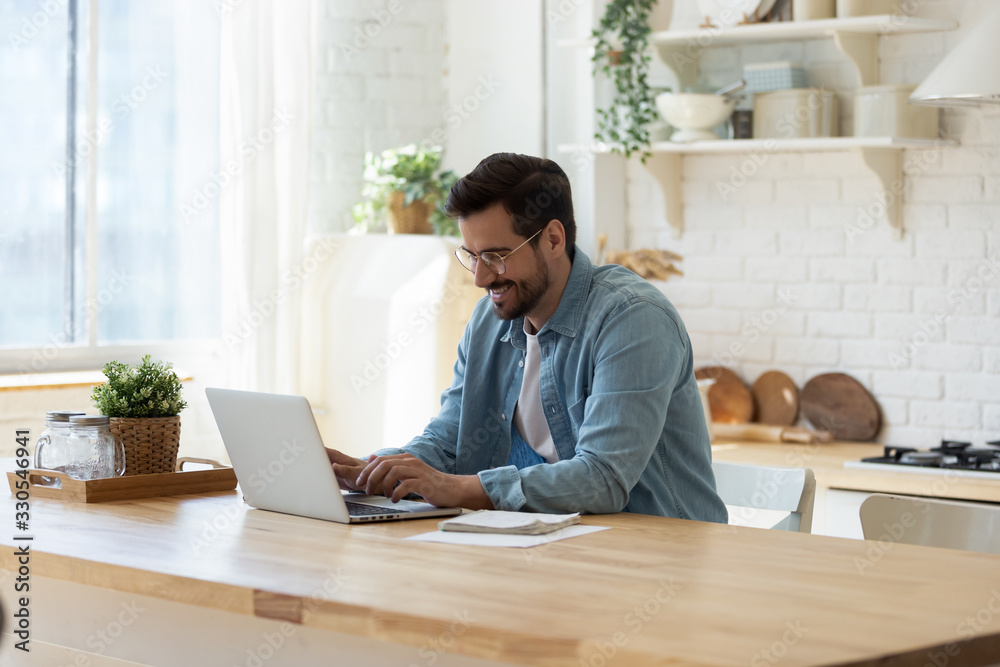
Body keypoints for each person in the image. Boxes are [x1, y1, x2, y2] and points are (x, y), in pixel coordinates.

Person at [327, 153, 727, 522]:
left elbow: (604, 477)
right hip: (562, 547)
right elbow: (451, 440)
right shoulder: (489, 320)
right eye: (471, 256)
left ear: (553, 239)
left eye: (496, 257)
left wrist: (458, 488)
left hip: (663, 556)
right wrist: (371, 469)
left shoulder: (633, 319)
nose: (480, 278)